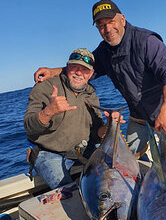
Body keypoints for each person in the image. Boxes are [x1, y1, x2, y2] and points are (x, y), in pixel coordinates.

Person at [34, 0, 166, 155]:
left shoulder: (146, 40)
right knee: (129, 157)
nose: (107, 29)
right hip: (139, 117)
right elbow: (85, 70)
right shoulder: (103, 51)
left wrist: (165, 110)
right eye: (101, 25)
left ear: (122, 19)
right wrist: (53, 71)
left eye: (111, 21)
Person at [25, 48, 121, 189]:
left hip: (82, 151)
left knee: (114, 175)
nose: (78, 73)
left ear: (91, 74)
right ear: (67, 67)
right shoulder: (45, 88)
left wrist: (108, 126)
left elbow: (96, 134)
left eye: (84, 70)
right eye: (74, 67)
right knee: (69, 191)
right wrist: (48, 112)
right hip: (49, 154)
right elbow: (29, 127)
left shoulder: (91, 95)